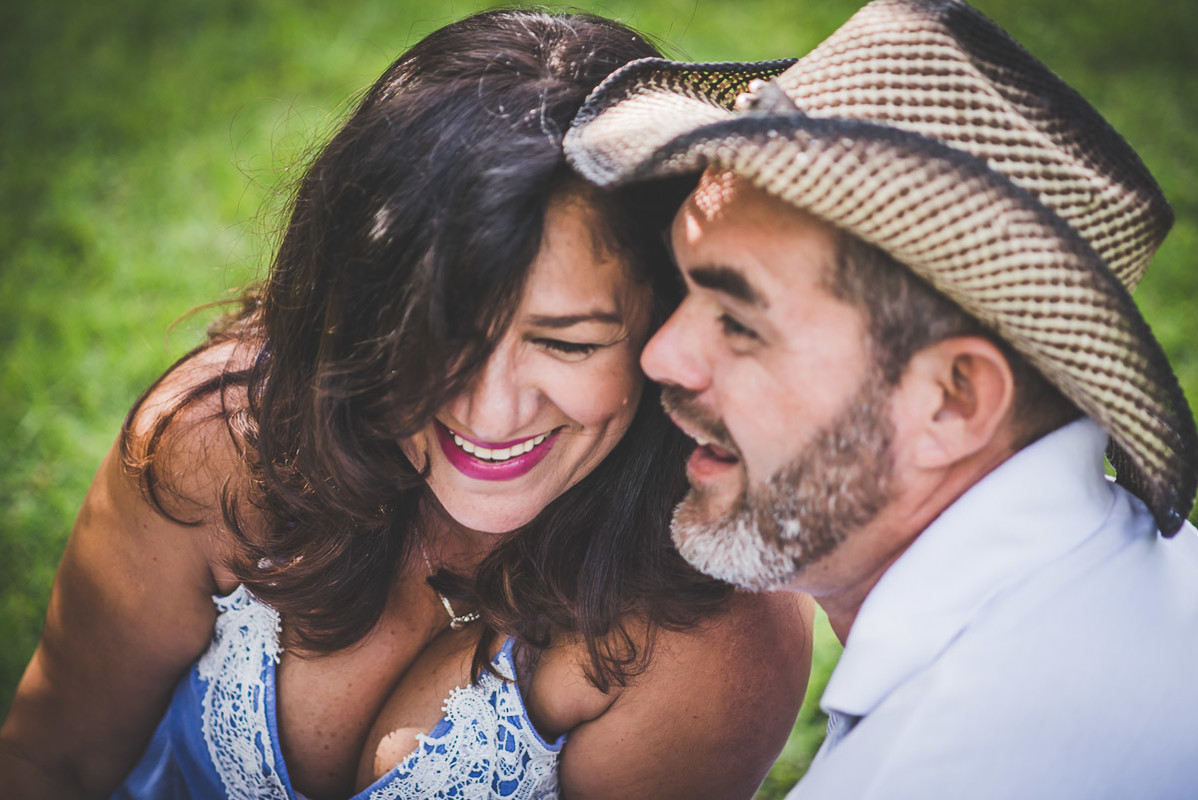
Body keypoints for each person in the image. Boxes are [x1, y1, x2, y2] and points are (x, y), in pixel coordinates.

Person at [0, 10, 813, 799]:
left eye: (567, 343)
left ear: (665, 329)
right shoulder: (217, 443)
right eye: (437, 333)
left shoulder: (717, 630)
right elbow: (49, 762)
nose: (492, 412)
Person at [564, 0, 1198, 797]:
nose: (662, 355)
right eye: (683, 290)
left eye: (739, 321)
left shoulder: (938, 770)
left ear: (953, 401)